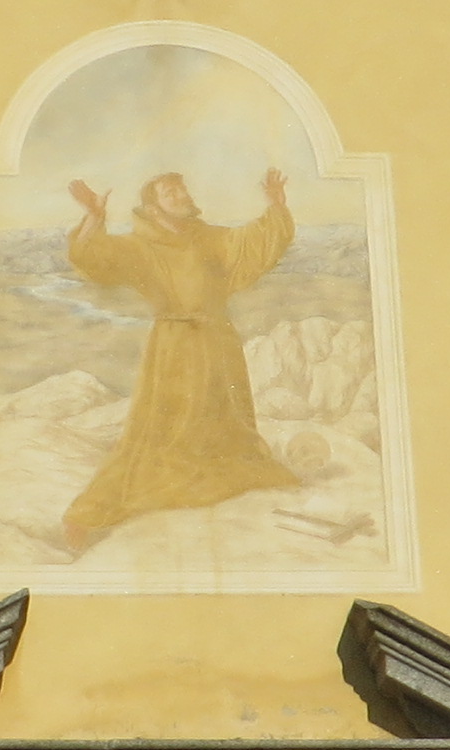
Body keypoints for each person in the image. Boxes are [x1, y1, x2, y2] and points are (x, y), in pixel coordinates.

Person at [59, 167, 299, 549]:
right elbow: (94, 256)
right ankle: (90, 514)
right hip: (174, 348)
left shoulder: (209, 239)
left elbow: (253, 242)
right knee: (157, 435)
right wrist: (94, 218)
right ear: (154, 208)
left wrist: (277, 206)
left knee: (225, 425)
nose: (182, 195)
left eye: (182, 189)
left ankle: (214, 482)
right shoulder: (143, 246)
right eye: (171, 192)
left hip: (219, 343)